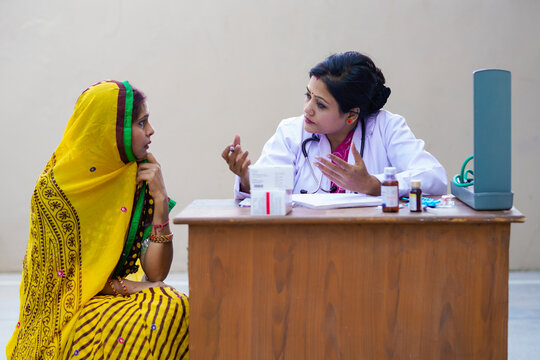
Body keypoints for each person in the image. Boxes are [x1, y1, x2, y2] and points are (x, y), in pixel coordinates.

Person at [6, 81, 189, 359]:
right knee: (164, 310)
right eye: (141, 123)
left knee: (175, 306)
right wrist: (134, 287)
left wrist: (161, 202)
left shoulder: (138, 175)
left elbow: (156, 274)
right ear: (109, 132)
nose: (151, 131)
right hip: (63, 318)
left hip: (109, 300)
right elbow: (64, 282)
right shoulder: (55, 191)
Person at [222, 51, 447, 198]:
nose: (307, 109)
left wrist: (373, 184)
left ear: (351, 116)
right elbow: (270, 189)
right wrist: (248, 178)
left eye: (320, 105)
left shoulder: (386, 128)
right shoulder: (291, 132)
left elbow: (434, 177)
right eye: (307, 95)